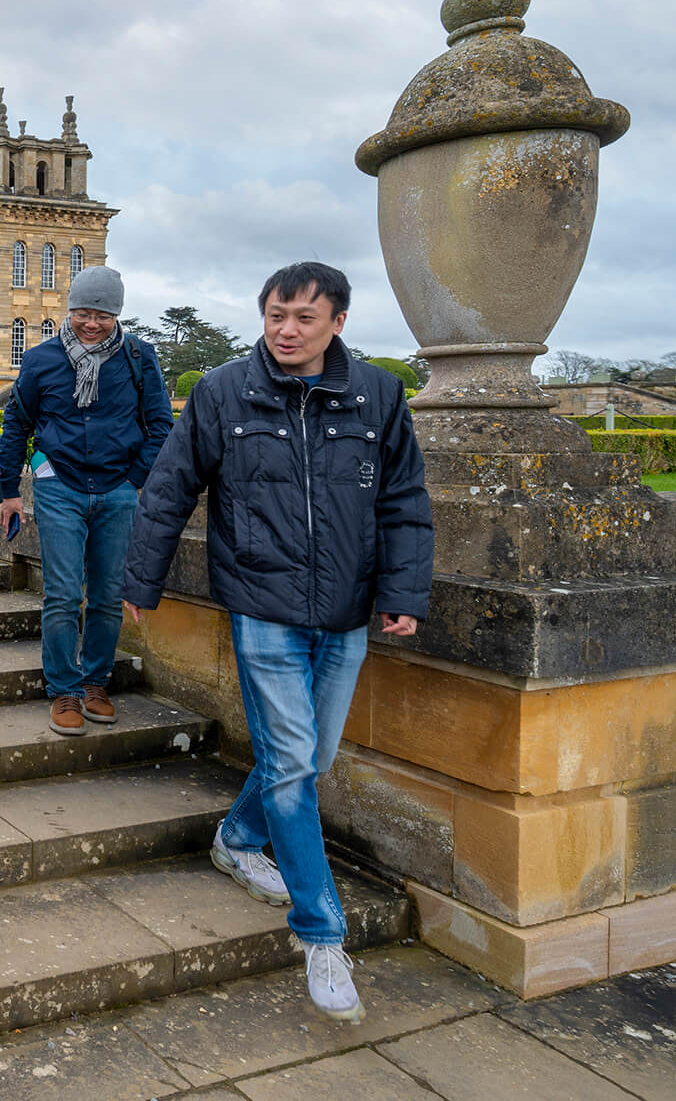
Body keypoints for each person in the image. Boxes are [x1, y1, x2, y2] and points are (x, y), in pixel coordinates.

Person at [122, 262, 432, 1024]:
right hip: (261, 601)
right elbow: (169, 487)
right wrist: (141, 579)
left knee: (312, 756)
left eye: (302, 316)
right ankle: (322, 934)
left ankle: (237, 834)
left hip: (349, 607)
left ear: (338, 322)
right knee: (294, 765)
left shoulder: (379, 394)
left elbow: (402, 498)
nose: (286, 329)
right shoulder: (225, 390)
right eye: (274, 314)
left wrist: (401, 591)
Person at [0, 265, 172, 736]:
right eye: (84, 313)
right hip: (59, 486)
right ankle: (65, 691)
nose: (92, 323)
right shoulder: (40, 360)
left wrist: (134, 478)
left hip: (117, 488)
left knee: (108, 595)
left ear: (117, 315)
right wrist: (10, 490)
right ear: (68, 309)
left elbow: (160, 425)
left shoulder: (139, 357)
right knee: (63, 594)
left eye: (103, 315)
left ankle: (96, 682)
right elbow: (17, 425)